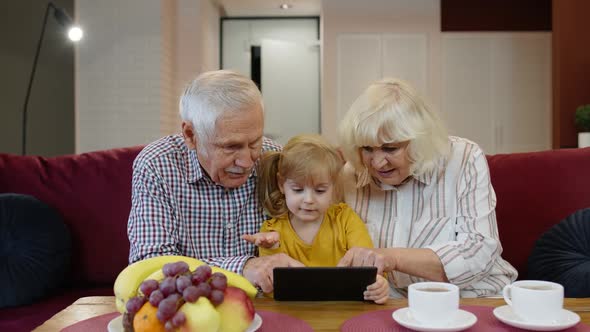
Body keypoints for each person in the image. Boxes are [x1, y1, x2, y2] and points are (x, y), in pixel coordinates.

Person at [336, 78, 518, 297]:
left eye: (390, 149)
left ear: (419, 140)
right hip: (387, 302)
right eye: (367, 148)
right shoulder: (351, 174)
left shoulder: (464, 159)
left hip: (471, 296)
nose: (376, 163)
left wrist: (392, 257)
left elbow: (479, 251)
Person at [127, 70, 304, 293]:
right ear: (191, 135)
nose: (247, 162)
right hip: (190, 308)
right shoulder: (156, 165)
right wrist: (242, 266)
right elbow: (149, 267)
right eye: (231, 147)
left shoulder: (273, 158)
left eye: (255, 142)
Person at [242, 134, 390, 303]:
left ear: (333, 187)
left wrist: (379, 284)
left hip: (343, 310)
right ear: (281, 184)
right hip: (293, 315)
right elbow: (271, 290)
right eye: (298, 190)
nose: (309, 200)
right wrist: (271, 248)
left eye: (320, 191)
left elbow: (370, 267)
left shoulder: (346, 219)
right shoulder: (271, 231)